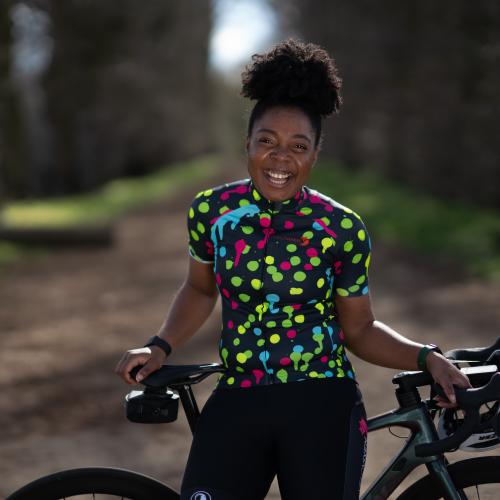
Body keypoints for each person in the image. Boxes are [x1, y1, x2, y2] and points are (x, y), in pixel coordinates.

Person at [116, 39, 470, 500]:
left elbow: (360, 330)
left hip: (322, 400)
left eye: (298, 146)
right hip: (239, 393)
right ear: (247, 142)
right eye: (267, 141)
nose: (281, 158)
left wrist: (429, 357)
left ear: (315, 154)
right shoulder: (212, 211)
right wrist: (159, 345)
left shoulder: (340, 227)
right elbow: (200, 291)